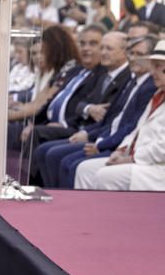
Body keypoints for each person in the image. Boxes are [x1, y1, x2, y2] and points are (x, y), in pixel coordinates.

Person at [36, 35, 157, 188]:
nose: (133, 58)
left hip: (116, 144)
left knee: (68, 162)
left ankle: (68, 206)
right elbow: (110, 118)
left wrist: (100, 144)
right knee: (47, 152)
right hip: (103, 136)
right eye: (131, 53)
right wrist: (89, 134)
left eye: (139, 54)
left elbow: (132, 126)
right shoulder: (132, 80)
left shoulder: (149, 85)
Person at [75, 39, 165, 190]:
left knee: (105, 176)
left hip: (156, 167)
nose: (152, 72)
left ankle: (108, 214)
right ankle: (86, 213)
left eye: (159, 68)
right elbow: (137, 130)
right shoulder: (158, 94)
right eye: (153, 67)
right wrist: (121, 150)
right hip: (139, 159)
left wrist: (131, 158)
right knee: (84, 169)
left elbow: (162, 148)